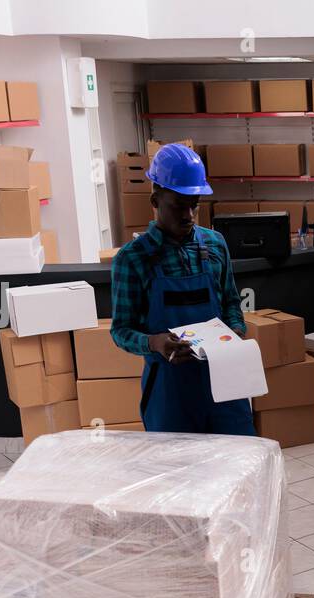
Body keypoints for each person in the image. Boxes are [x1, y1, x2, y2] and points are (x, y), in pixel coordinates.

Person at [109, 143, 255, 435]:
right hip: (170, 393)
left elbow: (230, 303)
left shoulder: (215, 245)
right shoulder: (132, 259)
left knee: (236, 468)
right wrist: (155, 343)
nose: (188, 215)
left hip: (224, 382)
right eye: (178, 205)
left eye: (194, 205)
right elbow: (121, 330)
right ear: (155, 200)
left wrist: (235, 331)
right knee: (179, 475)